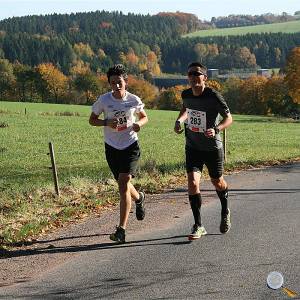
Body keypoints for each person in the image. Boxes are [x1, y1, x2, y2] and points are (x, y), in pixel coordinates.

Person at [89, 64, 148, 244]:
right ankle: (139, 198)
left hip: (130, 145)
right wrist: (106, 122)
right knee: (124, 184)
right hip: (112, 147)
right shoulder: (104, 100)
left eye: (119, 82)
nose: (116, 86)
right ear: (109, 84)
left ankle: (121, 229)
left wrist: (140, 124)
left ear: (126, 82)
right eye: (113, 83)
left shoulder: (133, 99)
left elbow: (145, 116)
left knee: (123, 183)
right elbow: (91, 120)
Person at [174, 62, 233, 240]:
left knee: (218, 183)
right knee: (192, 182)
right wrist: (179, 121)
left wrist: (216, 129)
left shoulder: (213, 96)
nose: (193, 77)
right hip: (193, 146)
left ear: (205, 77)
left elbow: (229, 118)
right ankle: (198, 225)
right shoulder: (185, 94)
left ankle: (225, 209)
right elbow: (186, 110)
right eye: (190, 74)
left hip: (212, 148)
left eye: (197, 74)